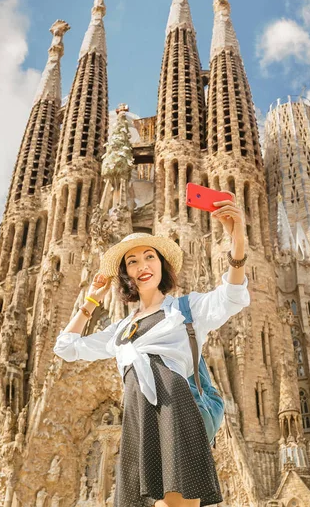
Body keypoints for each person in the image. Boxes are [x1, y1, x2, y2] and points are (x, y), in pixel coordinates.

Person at [53, 193, 251, 507]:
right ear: (125, 275)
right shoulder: (120, 330)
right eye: (132, 261)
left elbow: (232, 297)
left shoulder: (185, 310)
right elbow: (66, 347)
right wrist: (91, 300)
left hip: (177, 410)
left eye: (150, 257)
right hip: (137, 418)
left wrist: (237, 242)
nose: (142, 266)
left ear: (162, 265)